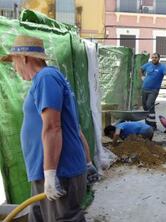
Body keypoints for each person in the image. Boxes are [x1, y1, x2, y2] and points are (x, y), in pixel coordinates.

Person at [0, 35, 98, 221]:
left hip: (59, 171)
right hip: (51, 170)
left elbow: (53, 127)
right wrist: (87, 162)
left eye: (13, 61)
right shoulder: (48, 79)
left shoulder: (46, 78)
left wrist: (51, 175)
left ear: (24, 58)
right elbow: (74, 127)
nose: (14, 67)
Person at [140, 52, 166, 129]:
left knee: (149, 104)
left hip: (154, 90)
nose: (154, 59)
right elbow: (141, 69)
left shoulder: (162, 67)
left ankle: (152, 126)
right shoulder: (148, 64)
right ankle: (149, 124)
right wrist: (142, 76)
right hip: (144, 88)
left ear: (159, 58)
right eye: (152, 57)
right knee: (145, 107)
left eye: (155, 57)